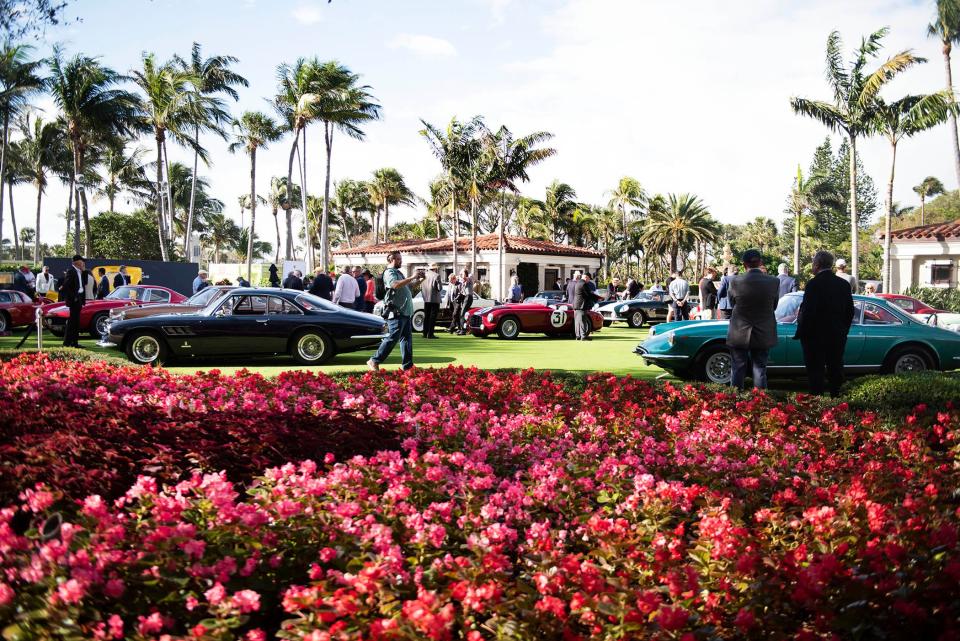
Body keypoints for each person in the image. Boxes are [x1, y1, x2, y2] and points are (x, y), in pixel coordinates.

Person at [795, 250, 855, 397]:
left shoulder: (813, 284)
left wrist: (802, 332)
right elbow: (850, 312)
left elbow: (808, 312)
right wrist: (843, 330)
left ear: (817, 264)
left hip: (814, 337)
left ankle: (817, 405)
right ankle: (837, 401)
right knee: (836, 371)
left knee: (815, 373)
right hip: (836, 335)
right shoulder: (843, 285)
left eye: (813, 263)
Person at [726, 249, 779, 390]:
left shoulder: (735, 281)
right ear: (760, 262)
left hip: (739, 330)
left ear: (744, 264)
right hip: (763, 330)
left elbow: (732, 304)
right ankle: (760, 404)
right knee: (760, 369)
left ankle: (734, 402)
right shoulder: (774, 282)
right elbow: (774, 306)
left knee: (737, 368)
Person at [367, 250, 424, 371]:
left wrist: (419, 280)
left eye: (400, 258)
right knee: (392, 337)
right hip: (396, 311)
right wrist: (412, 276)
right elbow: (395, 285)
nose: (400, 261)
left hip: (405, 312)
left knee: (406, 340)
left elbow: (408, 286)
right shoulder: (389, 273)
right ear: (390, 259)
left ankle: (408, 366)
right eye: (398, 259)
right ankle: (374, 360)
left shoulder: (398, 273)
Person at [61, 255, 89, 348]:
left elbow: (85, 283)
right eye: (81, 261)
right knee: (72, 322)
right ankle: (67, 343)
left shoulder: (80, 272)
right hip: (75, 300)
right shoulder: (71, 271)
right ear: (76, 262)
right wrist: (74, 297)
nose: (83, 263)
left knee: (76, 323)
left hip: (79, 299)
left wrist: (84, 271)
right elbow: (66, 287)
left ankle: (74, 342)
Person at [573, 272, 598, 340]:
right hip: (582, 305)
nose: (589, 280)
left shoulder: (577, 283)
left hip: (576, 305)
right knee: (583, 320)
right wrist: (598, 298)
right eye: (589, 278)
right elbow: (588, 294)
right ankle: (583, 336)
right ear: (586, 277)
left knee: (577, 321)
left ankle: (578, 336)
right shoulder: (584, 284)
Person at [420, 263, 442, 338]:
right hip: (434, 299)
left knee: (426, 316)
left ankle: (425, 333)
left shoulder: (424, 275)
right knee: (432, 317)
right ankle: (430, 334)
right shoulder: (436, 275)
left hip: (426, 299)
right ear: (435, 268)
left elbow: (421, 287)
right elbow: (439, 288)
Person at [457, 268, 474, 335]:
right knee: (464, 314)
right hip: (465, 297)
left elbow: (465, 278)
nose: (461, 274)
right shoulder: (463, 281)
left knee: (462, 313)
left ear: (465, 273)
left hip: (468, 297)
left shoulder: (469, 278)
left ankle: (463, 330)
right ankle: (466, 329)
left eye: (462, 273)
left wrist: (460, 275)